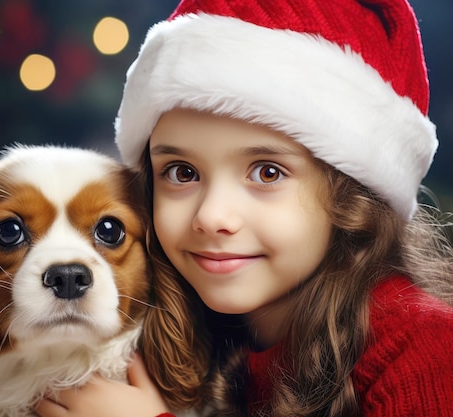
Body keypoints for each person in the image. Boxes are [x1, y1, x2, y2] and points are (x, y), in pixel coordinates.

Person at [35, 0, 453, 416]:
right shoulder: (177, 329)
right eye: (181, 173)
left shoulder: (426, 349)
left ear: (352, 197)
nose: (211, 217)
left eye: (267, 172)